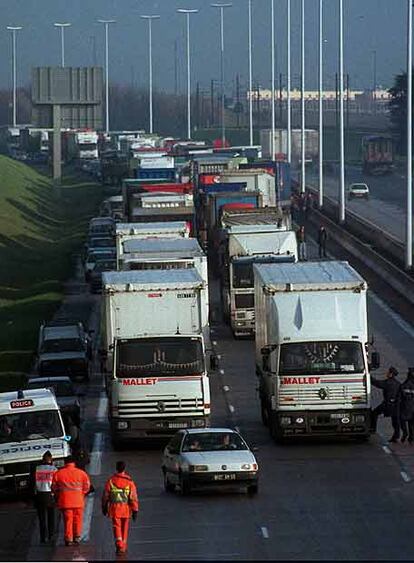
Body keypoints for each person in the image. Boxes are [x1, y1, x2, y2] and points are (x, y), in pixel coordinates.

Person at [52, 455, 91, 546]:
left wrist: (59, 495)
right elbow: (87, 486)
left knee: (68, 520)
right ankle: (77, 536)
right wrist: (82, 494)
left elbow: (54, 487)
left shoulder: (58, 473)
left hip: (65, 501)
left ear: (65, 463)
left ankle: (68, 538)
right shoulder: (81, 473)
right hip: (78, 501)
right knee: (78, 519)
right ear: (74, 463)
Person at [102, 461, 139, 554]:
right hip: (126, 509)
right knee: (125, 528)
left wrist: (104, 506)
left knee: (116, 527)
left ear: (116, 468)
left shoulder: (111, 481)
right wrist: (135, 510)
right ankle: (123, 546)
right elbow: (133, 497)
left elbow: (105, 496)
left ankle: (119, 545)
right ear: (124, 468)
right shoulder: (129, 482)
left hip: (115, 509)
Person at [370, 366, 401, 442]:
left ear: (391, 374)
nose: (386, 373)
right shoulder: (398, 383)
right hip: (396, 405)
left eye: (388, 372)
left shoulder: (388, 382)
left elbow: (377, 383)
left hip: (387, 404)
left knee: (374, 413)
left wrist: (369, 377)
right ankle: (396, 436)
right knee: (395, 421)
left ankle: (373, 429)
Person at [33, 451, 58, 544]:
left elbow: (32, 483)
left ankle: (43, 537)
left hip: (40, 495)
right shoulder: (54, 469)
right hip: (50, 495)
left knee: (41, 518)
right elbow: (56, 483)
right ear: (51, 460)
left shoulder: (37, 469)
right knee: (51, 516)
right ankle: (51, 535)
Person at [400, 368, 414, 443]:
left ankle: (405, 433)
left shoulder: (404, 385)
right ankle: (411, 437)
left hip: (405, 406)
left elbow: (400, 396)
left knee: (402, 420)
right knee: (411, 423)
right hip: (412, 407)